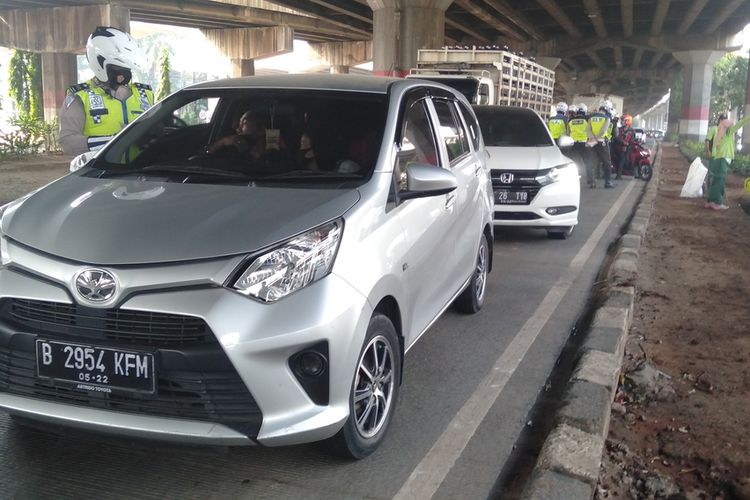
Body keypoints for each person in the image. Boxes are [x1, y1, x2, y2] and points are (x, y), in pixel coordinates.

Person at [59, 26, 154, 156]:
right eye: (118, 67)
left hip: (141, 174)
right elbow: (67, 142)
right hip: (101, 174)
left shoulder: (145, 95)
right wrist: (114, 141)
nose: (123, 74)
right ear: (99, 62)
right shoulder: (80, 97)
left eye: (127, 68)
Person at [705, 112, 750, 210]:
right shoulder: (727, 131)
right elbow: (741, 123)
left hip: (718, 158)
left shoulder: (719, 131)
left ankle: (711, 201)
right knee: (720, 180)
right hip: (723, 158)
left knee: (716, 180)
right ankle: (717, 202)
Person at [588, 100, 615, 188]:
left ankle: (592, 182)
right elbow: (603, 131)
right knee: (606, 162)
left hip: (592, 141)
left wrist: (592, 138)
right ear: (607, 109)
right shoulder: (607, 118)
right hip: (602, 141)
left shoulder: (591, 117)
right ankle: (608, 182)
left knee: (592, 162)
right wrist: (597, 138)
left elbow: (587, 130)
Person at [568, 103, 595, 187]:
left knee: (575, 163)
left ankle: (573, 181)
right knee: (588, 162)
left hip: (573, 144)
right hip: (585, 144)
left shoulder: (571, 120)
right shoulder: (587, 119)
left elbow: (568, 132)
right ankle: (591, 181)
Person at [616, 114, 636, 179]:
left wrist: (629, 145)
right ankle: (618, 175)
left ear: (628, 121)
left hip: (627, 148)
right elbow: (617, 138)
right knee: (622, 159)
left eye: (623, 120)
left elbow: (632, 140)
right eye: (622, 120)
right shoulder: (620, 129)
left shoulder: (631, 130)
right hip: (619, 147)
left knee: (627, 159)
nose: (622, 122)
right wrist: (623, 143)